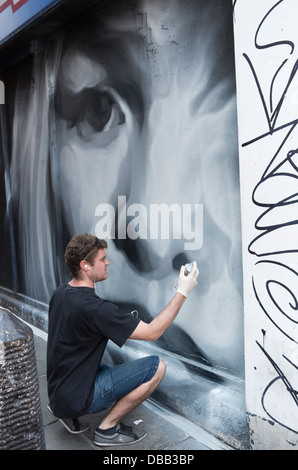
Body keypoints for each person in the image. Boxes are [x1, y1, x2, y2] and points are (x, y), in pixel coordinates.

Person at [47, 233, 199, 447]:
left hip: (58, 395)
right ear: (85, 266)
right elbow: (152, 332)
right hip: (77, 399)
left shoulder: (61, 293)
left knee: (106, 367)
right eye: (102, 259)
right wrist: (183, 291)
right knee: (157, 367)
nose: (107, 262)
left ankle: (66, 409)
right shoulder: (96, 309)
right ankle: (107, 430)